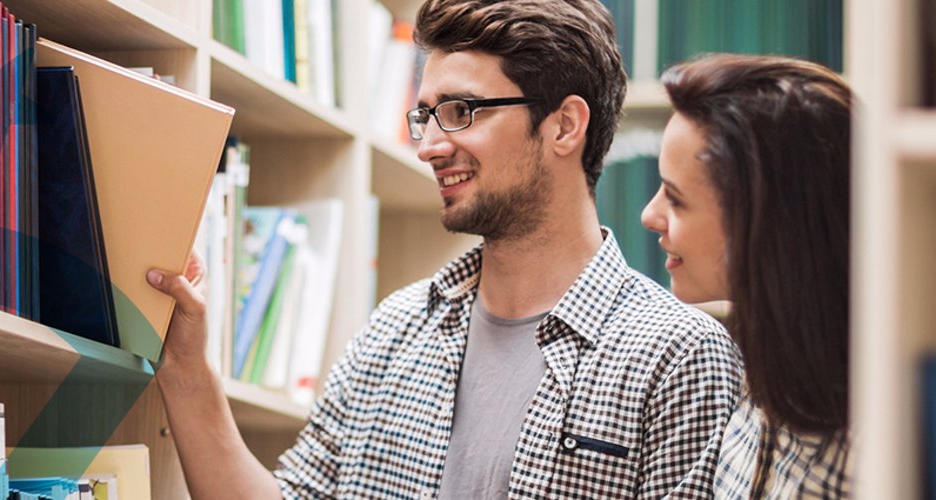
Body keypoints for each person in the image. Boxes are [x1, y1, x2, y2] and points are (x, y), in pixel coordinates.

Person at [146, 0, 743, 497]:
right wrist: (187, 368)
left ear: (565, 126)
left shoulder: (680, 356)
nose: (429, 145)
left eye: (460, 112)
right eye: (424, 116)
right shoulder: (392, 332)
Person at [639, 54, 854, 498]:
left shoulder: (874, 445)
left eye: (675, 199)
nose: (649, 215)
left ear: (765, 223)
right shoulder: (757, 387)